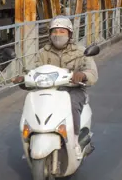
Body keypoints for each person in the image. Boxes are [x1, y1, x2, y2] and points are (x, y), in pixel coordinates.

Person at [19, 16, 98, 156]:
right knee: (31, 103)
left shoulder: (80, 52)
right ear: (50, 34)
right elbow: (33, 70)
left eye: (62, 31)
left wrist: (83, 75)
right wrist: (24, 78)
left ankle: (74, 143)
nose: (58, 35)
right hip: (47, 90)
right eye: (54, 31)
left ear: (70, 34)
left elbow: (92, 72)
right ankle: (30, 139)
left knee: (72, 105)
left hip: (73, 90)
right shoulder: (43, 52)